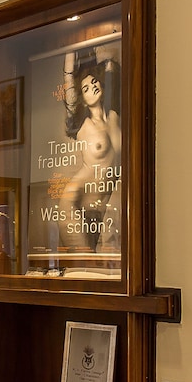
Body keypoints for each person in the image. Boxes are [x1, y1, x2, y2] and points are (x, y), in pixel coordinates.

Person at [58, 49, 122, 253]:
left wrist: (101, 53)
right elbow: (69, 80)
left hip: (107, 202)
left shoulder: (114, 115)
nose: (92, 86)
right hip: (75, 203)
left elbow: (112, 69)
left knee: (109, 259)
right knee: (85, 261)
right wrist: (70, 48)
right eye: (85, 88)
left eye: (94, 82)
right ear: (82, 98)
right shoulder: (82, 123)